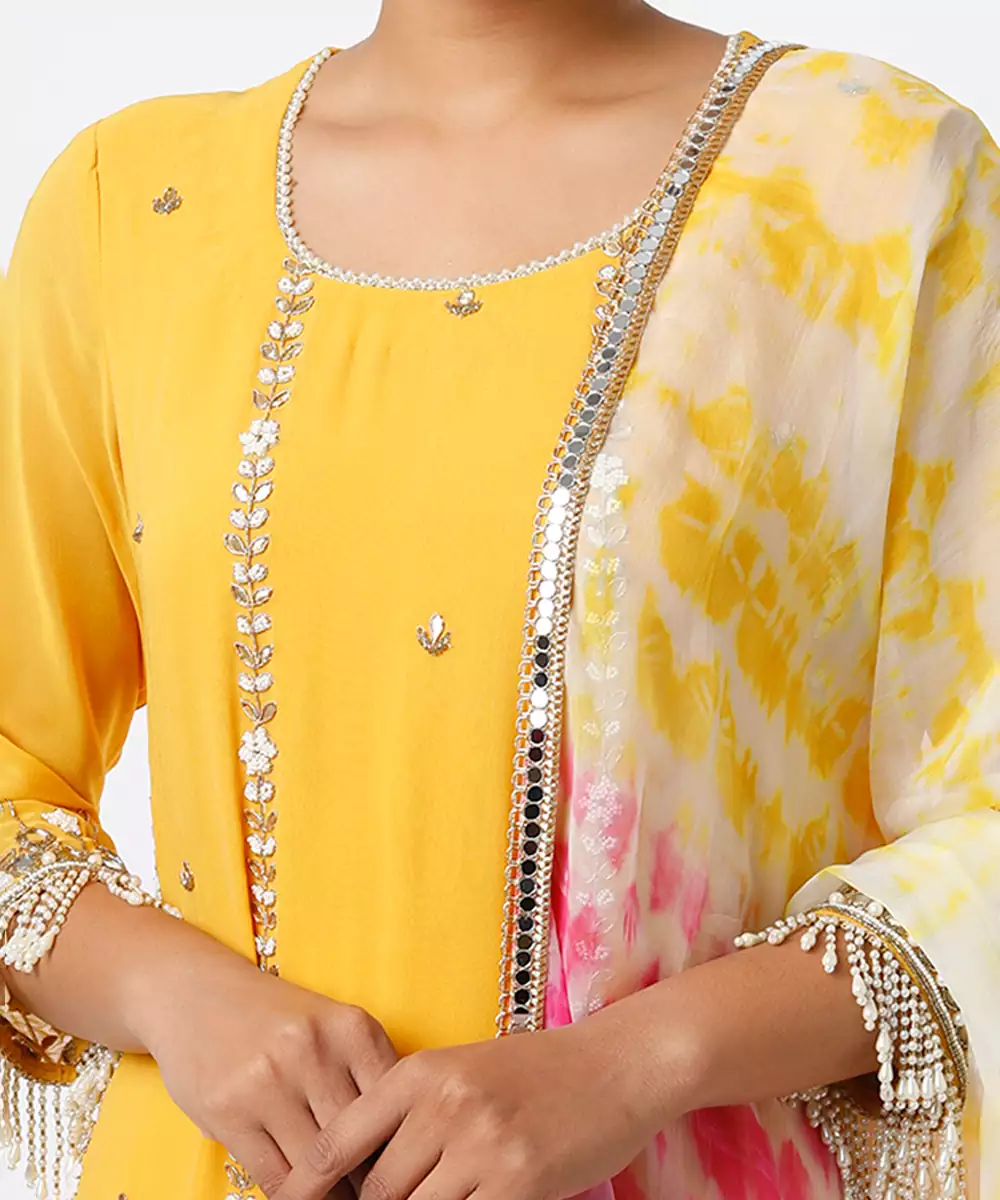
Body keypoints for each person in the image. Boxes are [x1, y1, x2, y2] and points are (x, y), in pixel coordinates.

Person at [2, 2, 998, 1199]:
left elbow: (984, 823)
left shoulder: (874, 180)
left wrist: (633, 1065)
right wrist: (172, 991)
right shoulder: (130, 205)